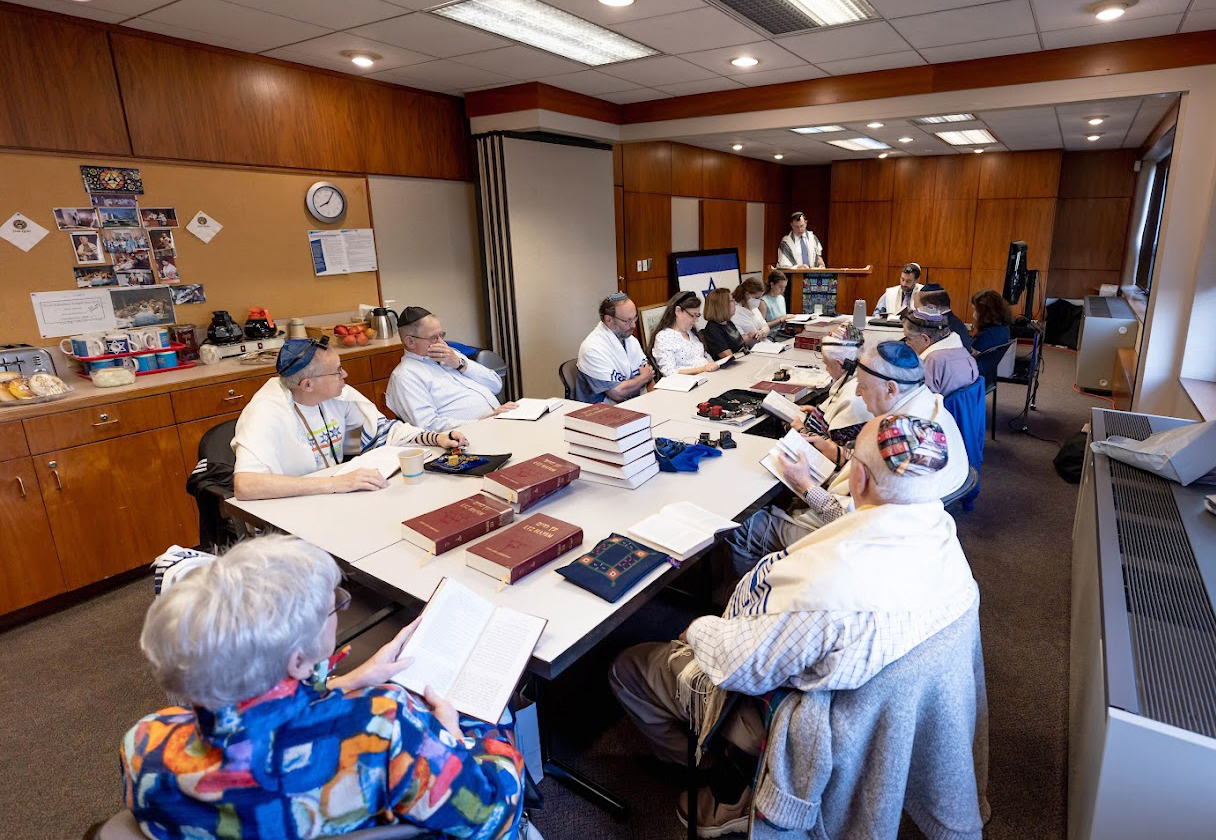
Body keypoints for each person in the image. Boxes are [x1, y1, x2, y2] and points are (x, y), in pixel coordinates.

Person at [610, 414, 979, 835]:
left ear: (857, 476)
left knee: (629, 667)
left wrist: (698, 629)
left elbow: (739, 663)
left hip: (805, 720)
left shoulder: (830, 593)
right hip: (877, 717)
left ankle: (727, 782)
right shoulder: (941, 537)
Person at [121, 535, 526, 840]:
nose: (337, 610)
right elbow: (492, 815)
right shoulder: (380, 728)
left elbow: (260, 721)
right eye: (331, 606)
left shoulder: (143, 742)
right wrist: (456, 734)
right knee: (498, 718)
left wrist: (348, 681)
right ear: (296, 661)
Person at [723, 341, 968, 574]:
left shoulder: (899, 431)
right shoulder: (925, 411)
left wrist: (805, 486)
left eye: (863, 386)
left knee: (742, 526)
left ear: (890, 388)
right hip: (908, 536)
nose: (859, 394)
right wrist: (836, 453)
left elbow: (853, 519)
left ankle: (753, 600)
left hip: (857, 544)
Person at [232, 337, 463, 500]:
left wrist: (438, 438)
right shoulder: (266, 412)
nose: (345, 375)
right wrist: (334, 483)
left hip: (328, 497)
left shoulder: (336, 395)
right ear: (308, 385)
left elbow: (382, 430)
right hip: (288, 509)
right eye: (337, 371)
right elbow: (246, 485)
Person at [387, 306, 516, 432]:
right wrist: (484, 421)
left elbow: (496, 384)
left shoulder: (450, 354)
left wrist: (460, 363)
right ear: (410, 342)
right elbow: (427, 426)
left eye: (441, 335)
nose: (442, 343)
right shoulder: (405, 376)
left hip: (498, 422)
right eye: (433, 338)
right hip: (467, 437)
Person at [789, 324, 872, 444]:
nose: (826, 369)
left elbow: (833, 449)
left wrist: (801, 430)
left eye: (827, 364)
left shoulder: (854, 398)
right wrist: (817, 413)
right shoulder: (857, 377)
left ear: (840, 364)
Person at [575, 292, 654, 403]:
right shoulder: (592, 349)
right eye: (627, 321)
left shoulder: (630, 340)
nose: (633, 325)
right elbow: (618, 393)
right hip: (600, 413)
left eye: (634, 318)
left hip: (633, 404)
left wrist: (654, 400)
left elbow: (649, 378)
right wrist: (644, 377)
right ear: (609, 320)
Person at [903, 305, 980, 396]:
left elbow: (920, 400)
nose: (907, 343)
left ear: (925, 339)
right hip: (963, 408)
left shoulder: (933, 361)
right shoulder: (962, 351)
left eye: (908, 338)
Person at [649, 291, 719, 378]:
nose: (696, 320)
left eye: (698, 315)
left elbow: (706, 356)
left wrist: (712, 365)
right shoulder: (664, 337)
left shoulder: (692, 333)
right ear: (678, 311)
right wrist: (702, 369)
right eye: (693, 315)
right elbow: (669, 372)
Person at [914, 283, 973, 352]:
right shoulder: (955, 323)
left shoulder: (942, 329)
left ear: (930, 308)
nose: (915, 314)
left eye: (918, 309)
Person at [701, 288, 748, 361]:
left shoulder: (728, 322)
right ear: (722, 305)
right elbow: (728, 357)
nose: (735, 303)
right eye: (732, 301)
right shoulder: (713, 329)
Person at [971, 289, 1014, 353]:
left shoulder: (985, 336)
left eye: (976, 310)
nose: (973, 315)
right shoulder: (1004, 329)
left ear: (986, 313)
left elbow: (968, 358)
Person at [730, 278, 769, 342]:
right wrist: (753, 336)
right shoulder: (735, 313)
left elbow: (766, 327)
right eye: (756, 297)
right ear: (747, 294)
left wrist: (761, 332)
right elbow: (740, 340)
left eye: (760, 297)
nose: (759, 301)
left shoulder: (754, 309)